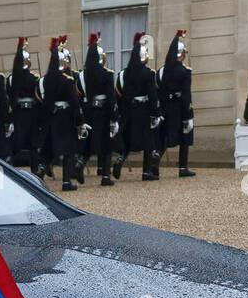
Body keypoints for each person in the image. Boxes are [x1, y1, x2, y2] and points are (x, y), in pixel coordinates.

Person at [112, 32, 162, 181]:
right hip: (144, 110)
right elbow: (152, 95)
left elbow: (120, 94)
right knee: (148, 142)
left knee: (129, 139)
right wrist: (156, 113)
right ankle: (146, 173)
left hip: (129, 110)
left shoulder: (125, 73)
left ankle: (120, 160)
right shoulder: (147, 73)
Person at [35, 35, 82, 191]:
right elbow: (75, 103)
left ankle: (41, 172)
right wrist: (79, 121)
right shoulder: (67, 80)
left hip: (51, 117)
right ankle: (66, 181)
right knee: (68, 150)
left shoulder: (47, 80)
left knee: (49, 149)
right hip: (65, 118)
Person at [77, 32, 116, 187]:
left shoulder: (85, 74)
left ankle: (80, 164)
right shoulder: (107, 74)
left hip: (90, 110)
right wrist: (114, 116)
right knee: (106, 144)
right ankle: (105, 176)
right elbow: (111, 97)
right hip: (104, 112)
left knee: (90, 142)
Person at [158, 29, 195, 178]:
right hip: (180, 106)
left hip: (167, 106)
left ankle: (155, 160)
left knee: (166, 135)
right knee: (185, 135)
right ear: (182, 55)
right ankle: (183, 167)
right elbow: (186, 94)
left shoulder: (164, 70)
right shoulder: (184, 71)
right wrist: (188, 112)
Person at [8, 37, 39, 166]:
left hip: (18, 112)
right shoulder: (34, 77)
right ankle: (36, 168)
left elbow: (9, 96)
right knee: (32, 142)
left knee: (18, 139)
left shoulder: (11, 78)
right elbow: (37, 96)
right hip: (31, 112)